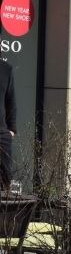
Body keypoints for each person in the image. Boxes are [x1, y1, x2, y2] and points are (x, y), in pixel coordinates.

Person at [0, 57, 15, 192]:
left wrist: (11, 129)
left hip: (2, 133)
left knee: (5, 178)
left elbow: (10, 101)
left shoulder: (6, 68)